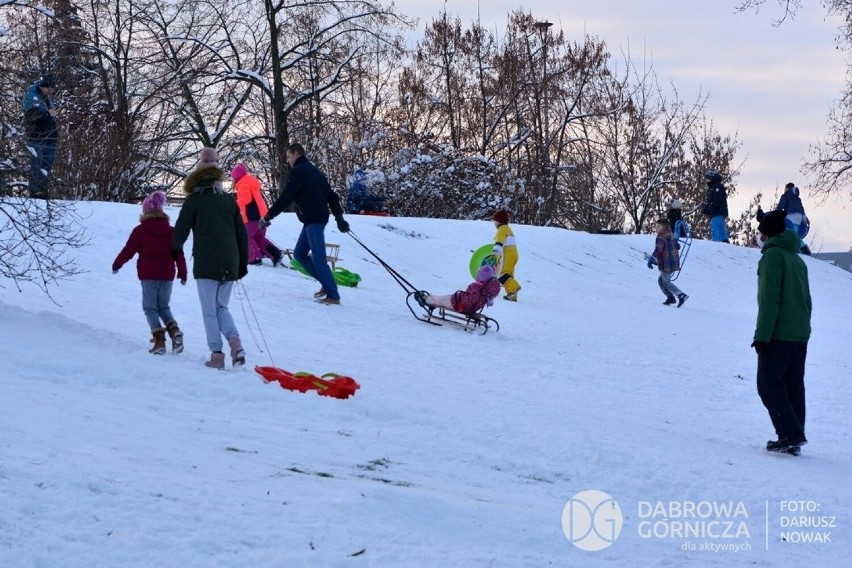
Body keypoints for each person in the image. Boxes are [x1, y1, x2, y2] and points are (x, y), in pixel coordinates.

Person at [173, 147, 249, 369]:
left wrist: (173, 251)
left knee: (209, 309)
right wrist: (242, 264)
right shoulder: (228, 200)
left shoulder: (194, 200)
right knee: (221, 307)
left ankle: (217, 355)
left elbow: (179, 232)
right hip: (230, 261)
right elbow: (241, 234)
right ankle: (236, 345)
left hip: (207, 262)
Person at [751, 209, 812, 455]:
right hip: (799, 333)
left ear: (767, 234)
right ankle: (795, 435)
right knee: (793, 384)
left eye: (760, 234)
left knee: (768, 384)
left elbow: (769, 300)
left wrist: (762, 336)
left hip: (779, 333)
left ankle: (790, 434)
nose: (759, 238)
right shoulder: (797, 259)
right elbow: (807, 300)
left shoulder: (773, 257)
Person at [260, 143, 350, 305]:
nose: (288, 161)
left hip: (314, 219)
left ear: (296, 154)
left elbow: (286, 197)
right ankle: (327, 281)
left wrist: (268, 216)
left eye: (288, 156)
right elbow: (333, 196)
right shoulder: (316, 172)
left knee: (318, 259)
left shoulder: (298, 172)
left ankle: (333, 296)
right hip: (313, 219)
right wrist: (339, 218)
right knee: (300, 255)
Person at [112, 191, 188, 354]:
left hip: (149, 276)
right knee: (164, 306)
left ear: (145, 211)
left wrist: (117, 264)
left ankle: (159, 341)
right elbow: (178, 253)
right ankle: (174, 332)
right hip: (167, 275)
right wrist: (182, 273)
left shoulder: (140, 230)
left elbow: (129, 250)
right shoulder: (171, 231)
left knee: (150, 308)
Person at [231, 163, 284, 267]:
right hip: (261, 216)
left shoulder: (242, 184)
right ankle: (276, 254)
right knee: (259, 238)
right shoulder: (250, 182)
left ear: (236, 177)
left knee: (246, 236)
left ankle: (254, 258)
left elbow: (246, 199)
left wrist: (235, 203)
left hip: (252, 217)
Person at [22, 73, 58, 199]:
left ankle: (43, 193)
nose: (50, 91)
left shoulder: (47, 98)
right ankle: (35, 194)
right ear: (43, 86)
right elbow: (31, 116)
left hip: (50, 138)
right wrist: (48, 114)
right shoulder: (31, 96)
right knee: (37, 166)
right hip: (36, 137)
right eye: (49, 88)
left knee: (46, 167)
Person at [416, 264, 501, 315]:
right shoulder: (487, 293)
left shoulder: (477, 288)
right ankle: (430, 298)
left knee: (442, 299)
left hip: (457, 303)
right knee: (443, 298)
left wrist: (461, 300)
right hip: (468, 308)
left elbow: (470, 299)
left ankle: (426, 299)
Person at [647, 218, 688, 307]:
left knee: (666, 282)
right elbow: (677, 246)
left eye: (658, 227)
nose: (656, 228)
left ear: (663, 228)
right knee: (661, 280)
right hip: (673, 263)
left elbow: (658, 249)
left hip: (667, 264)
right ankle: (670, 298)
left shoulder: (660, 237)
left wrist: (651, 259)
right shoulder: (670, 234)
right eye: (656, 226)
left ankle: (681, 295)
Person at [492, 209, 521, 301]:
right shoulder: (509, 229)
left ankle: (514, 288)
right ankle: (512, 295)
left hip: (506, 255)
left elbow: (499, 242)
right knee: (508, 275)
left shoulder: (501, 230)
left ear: (499, 221)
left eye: (494, 220)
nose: (493, 222)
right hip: (514, 255)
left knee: (501, 275)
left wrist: (495, 253)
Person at [776, 182, 811, 256]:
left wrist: (776, 213)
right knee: (795, 234)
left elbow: (780, 206)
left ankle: (803, 249)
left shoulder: (785, 195)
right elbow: (802, 209)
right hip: (799, 217)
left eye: (785, 188)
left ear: (787, 188)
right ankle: (800, 248)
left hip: (790, 216)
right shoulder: (797, 198)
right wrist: (805, 219)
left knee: (791, 234)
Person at [702, 169, 729, 243]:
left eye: (707, 178)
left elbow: (717, 200)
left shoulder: (717, 187)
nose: (706, 180)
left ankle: (715, 243)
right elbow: (711, 201)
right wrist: (706, 208)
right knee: (721, 229)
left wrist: (711, 209)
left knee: (715, 228)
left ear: (711, 178)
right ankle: (725, 242)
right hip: (717, 212)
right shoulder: (712, 187)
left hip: (717, 212)